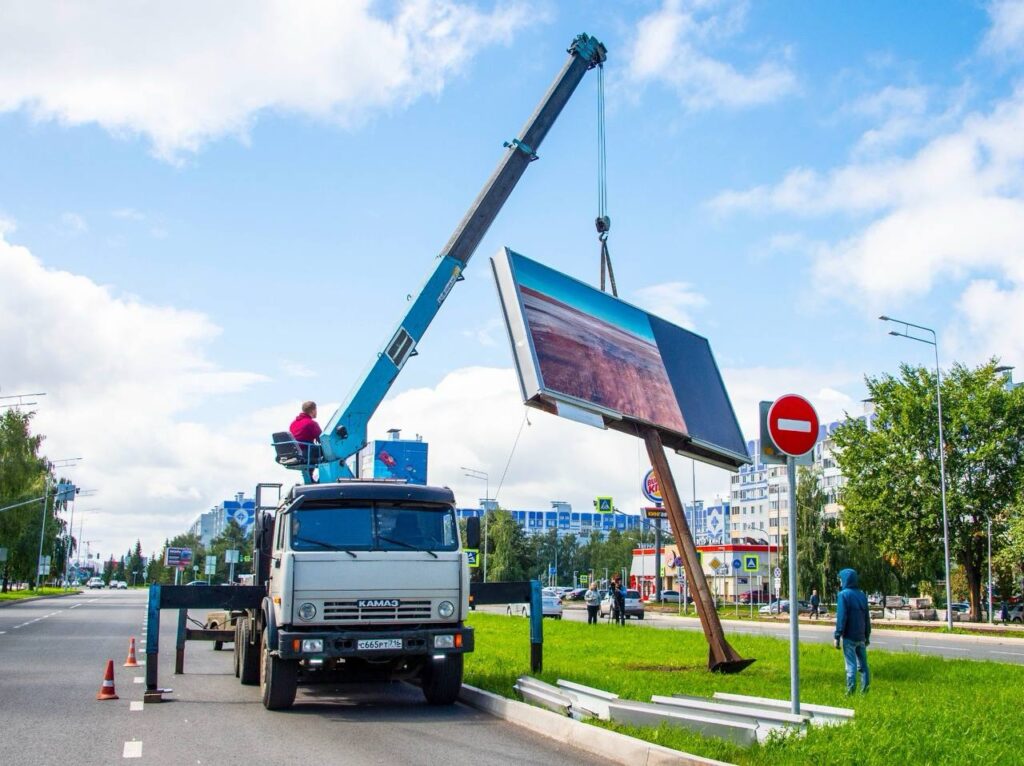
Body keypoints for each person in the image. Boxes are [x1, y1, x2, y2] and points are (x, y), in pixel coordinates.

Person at [834, 568, 871, 695]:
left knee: (850, 665)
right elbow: (867, 617)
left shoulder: (843, 595)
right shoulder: (862, 595)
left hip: (849, 636)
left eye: (840, 579)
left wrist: (837, 636)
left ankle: (850, 691)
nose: (840, 581)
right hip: (861, 636)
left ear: (845, 579)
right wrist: (867, 636)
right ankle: (865, 690)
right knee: (864, 665)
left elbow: (842, 617)